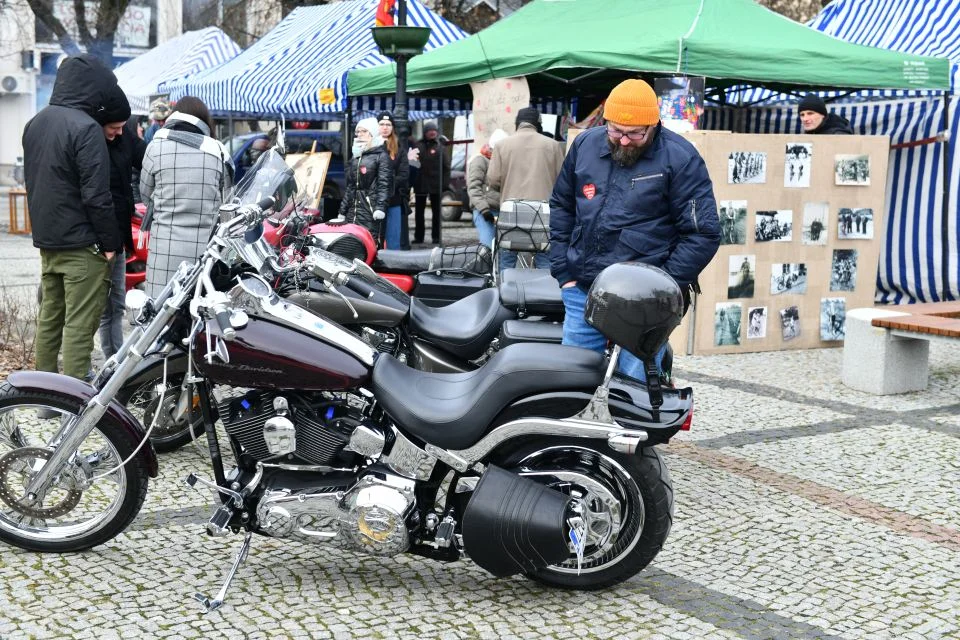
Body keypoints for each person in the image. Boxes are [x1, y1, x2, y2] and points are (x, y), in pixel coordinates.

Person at [549, 78, 721, 382]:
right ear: (605, 121)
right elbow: (563, 205)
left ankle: (634, 429)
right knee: (572, 377)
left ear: (654, 124)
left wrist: (663, 286)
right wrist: (563, 269)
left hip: (646, 300)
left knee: (635, 385)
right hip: (583, 287)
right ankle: (578, 429)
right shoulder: (586, 144)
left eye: (635, 134)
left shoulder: (681, 158)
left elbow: (702, 233)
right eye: (616, 131)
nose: (624, 141)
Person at [22, 54, 122, 381]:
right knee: (79, 325)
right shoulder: (86, 127)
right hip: (83, 246)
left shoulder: (35, 123)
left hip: (49, 243)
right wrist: (110, 243)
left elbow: (34, 182)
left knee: (49, 320)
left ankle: (44, 398)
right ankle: (75, 407)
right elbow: (96, 194)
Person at [140, 96, 233, 299]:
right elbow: (227, 201)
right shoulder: (218, 151)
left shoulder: (155, 147)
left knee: (159, 315)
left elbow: (146, 196)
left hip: (163, 248)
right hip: (204, 252)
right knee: (198, 314)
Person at [94, 84, 146, 360]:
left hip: (120, 233)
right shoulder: (90, 138)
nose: (118, 132)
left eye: (122, 127)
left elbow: (147, 159)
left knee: (115, 305)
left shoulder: (125, 136)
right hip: (98, 239)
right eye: (114, 127)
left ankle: (114, 360)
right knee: (99, 309)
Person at [486, 106, 565, 270]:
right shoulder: (553, 145)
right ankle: (543, 294)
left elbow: (493, 180)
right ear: (537, 124)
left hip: (510, 214)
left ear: (518, 123)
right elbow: (562, 182)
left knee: (506, 264)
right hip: (543, 215)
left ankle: (506, 293)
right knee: (544, 262)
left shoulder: (501, 145)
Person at [339, 117, 391, 241]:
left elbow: (384, 184)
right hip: (353, 210)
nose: (360, 134)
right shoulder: (356, 157)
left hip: (370, 209)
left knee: (369, 242)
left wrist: (380, 207)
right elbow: (351, 187)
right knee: (352, 243)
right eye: (358, 132)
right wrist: (342, 210)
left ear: (372, 134)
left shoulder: (381, 156)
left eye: (364, 131)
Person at [466, 129, 508, 247]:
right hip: (485, 211)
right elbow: (474, 187)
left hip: (500, 210)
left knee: (501, 249)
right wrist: (484, 209)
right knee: (488, 247)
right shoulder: (480, 160)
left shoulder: (502, 162)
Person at [413, 121, 450, 245]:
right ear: (425, 132)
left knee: (436, 213)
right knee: (419, 213)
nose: (432, 132)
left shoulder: (440, 146)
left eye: (434, 130)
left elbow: (446, 167)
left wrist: (444, 184)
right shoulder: (418, 145)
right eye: (430, 130)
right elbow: (413, 164)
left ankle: (436, 237)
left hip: (436, 185)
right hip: (421, 184)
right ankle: (419, 237)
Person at [377, 111, 409, 250]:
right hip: (374, 199)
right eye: (382, 124)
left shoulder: (399, 149)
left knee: (393, 239)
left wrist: (387, 185)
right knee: (375, 237)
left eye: (388, 124)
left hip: (394, 199)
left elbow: (404, 174)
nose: (385, 127)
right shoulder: (371, 146)